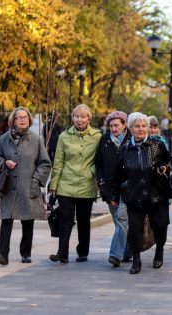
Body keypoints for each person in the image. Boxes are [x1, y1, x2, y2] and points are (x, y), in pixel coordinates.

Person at [0, 107, 51, 265]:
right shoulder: (4, 139)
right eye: (19, 117)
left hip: (28, 186)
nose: (22, 120)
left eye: (25, 117)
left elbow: (45, 163)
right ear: (13, 120)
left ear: (29, 119)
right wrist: (4, 162)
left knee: (27, 220)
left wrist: (36, 180)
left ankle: (26, 253)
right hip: (9, 188)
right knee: (6, 220)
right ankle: (3, 255)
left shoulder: (36, 140)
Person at [112, 112, 171, 274]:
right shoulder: (125, 148)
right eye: (137, 126)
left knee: (160, 225)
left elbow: (168, 160)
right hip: (134, 195)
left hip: (156, 194)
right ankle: (136, 260)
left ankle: (159, 250)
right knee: (135, 228)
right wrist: (116, 193)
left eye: (144, 126)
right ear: (130, 128)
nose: (141, 129)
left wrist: (164, 167)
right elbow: (118, 173)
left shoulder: (157, 144)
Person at [49, 104, 102, 264]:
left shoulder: (98, 136)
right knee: (65, 218)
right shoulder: (64, 136)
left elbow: (100, 160)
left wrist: (93, 173)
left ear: (89, 119)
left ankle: (83, 251)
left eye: (83, 116)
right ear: (72, 118)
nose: (80, 119)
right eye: (76, 116)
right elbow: (58, 161)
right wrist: (54, 184)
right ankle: (62, 253)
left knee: (83, 220)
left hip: (86, 183)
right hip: (66, 183)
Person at [95, 111, 132, 267]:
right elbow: (98, 163)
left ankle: (115, 254)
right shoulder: (104, 140)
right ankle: (127, 250)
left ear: (124, 125)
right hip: (109, 188)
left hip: (128, 187)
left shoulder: (131, 140)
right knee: (120, 221)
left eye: (116, 125)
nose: (113, 128)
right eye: (110, 126)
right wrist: (101, 182)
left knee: (122, 219)